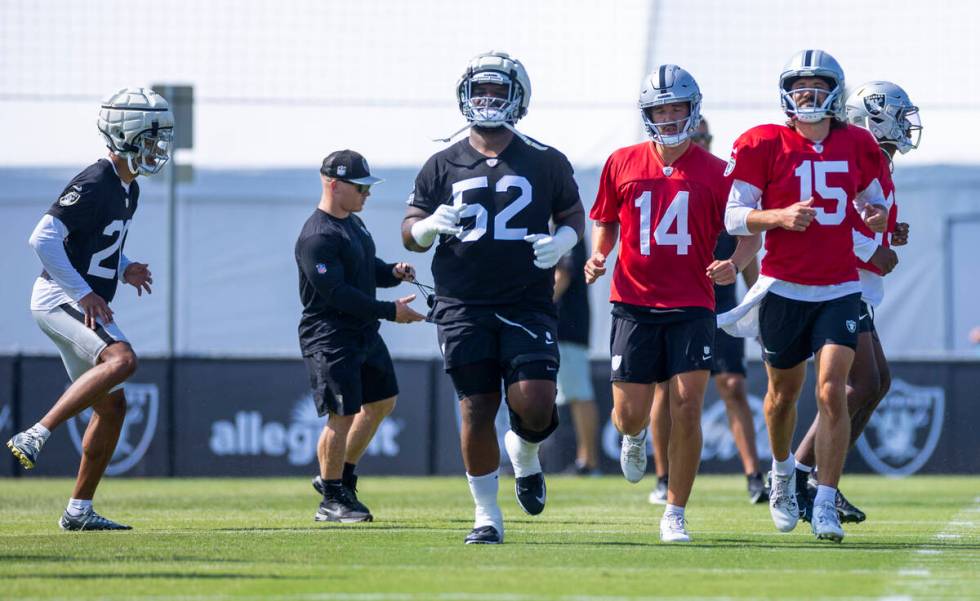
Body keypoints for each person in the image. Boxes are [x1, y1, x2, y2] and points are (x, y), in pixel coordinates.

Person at [402, 51, 585, 544]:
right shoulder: (442, 162)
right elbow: (407, 231)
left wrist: (564, 241)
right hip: (462, 302)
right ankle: (487, 515)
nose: (487, 100)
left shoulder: (545, 159)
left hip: (525, 299)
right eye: (479, 91)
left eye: (497, 91)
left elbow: (572, 214)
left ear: (517, 99)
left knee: (537, 405)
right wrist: (425, 229)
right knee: (475, 407)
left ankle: (524, 453)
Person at [719, 49, 896, 542]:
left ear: (835, 93)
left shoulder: (858, 143)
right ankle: (781, 475)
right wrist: (777, 216)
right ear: (786, 93)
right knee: (781, 397)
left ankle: (823, 502)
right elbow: (734, 216)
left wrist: (878, 219)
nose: (808, 96)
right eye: (800, 87)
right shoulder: (761, 141)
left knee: (831, 391)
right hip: (783, 286)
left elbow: (872, 202)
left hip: (839, 286)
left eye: (817, 87)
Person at [584, 65, 760, 542]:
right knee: (629, 413)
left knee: (687, 405)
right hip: (634, 301)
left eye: (676, 108)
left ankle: (675, 512)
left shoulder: (720, 172)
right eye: (659, 109)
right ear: (647, 114)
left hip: (692, 303)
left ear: (692, 110)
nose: (668, 117)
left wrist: (736, 263)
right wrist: (600, 254)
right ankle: (635, 436)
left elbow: (750, 228)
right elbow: (606, 219)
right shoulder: (621, 161)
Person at [6, 87, 173, 530]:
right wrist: (83, 293)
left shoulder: (127, 188)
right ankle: (37, 433)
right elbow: (42, 238)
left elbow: (92, 246)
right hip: (57, 300)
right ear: (127, 135)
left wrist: (123, 268)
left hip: (73, 300)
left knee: (113, 409)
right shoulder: (96, 181)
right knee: (123, 359)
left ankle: (78, 512)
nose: (160, 148)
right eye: (153, 137)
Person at [791, 81, 922, 524]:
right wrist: (874, 247)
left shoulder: (875, 159)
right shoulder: (847, 154)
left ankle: (816, 475)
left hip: (859, 284)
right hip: (840, 283)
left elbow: (867, 219)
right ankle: (799, 475)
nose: (906, 126)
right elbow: (833, 224)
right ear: (876, 116)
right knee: (860, 383)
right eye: (899, 116)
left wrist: (889, 234)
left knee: (877, 382)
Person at [296, 149, 425, 523]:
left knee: (382, 402)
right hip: (330, 336)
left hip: (362, 331)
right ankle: (331, 499)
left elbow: (364, 271)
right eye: (360, 187)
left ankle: (340, 479)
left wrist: (392, 272)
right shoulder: (316, 236)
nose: (366, 194)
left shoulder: (353, 223)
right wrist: (391, 312)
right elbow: (337, 293)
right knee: (342, 414)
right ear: (333, 185)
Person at [647, 117, 767, 506]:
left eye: (703, 136)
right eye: (693, 134)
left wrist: (758, 301)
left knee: (732, 386)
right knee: (667, 390)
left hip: (720, 303)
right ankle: (664, 476)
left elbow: (746, 245)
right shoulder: (662, 180)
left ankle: (753, 475)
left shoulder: (723, 182)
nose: (697, 141)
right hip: (677, 302)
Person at [554, 237, 600, 476]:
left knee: (579, 394)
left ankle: (588, 461)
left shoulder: (570, 231)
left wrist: (536, 305)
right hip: (566, 327)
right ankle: (586, 460)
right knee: (574, 394)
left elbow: (563, 275)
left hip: (568, 327)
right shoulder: (561, 228)